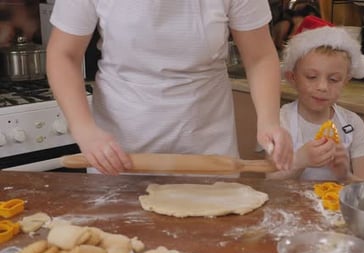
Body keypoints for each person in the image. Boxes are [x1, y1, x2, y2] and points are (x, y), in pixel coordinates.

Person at [46, 0, 293, 176]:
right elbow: (63, 53)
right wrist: (83, 128)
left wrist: (269, 121)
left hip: (206, 146)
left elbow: (259, 56)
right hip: (120, 149)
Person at [267, 20, 364, 182]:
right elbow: (270, 184)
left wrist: (345, 175)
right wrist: (299, 161)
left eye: (334, 79)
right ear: (292, 77)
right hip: (293, 207)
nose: (323, 87)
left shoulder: (352, 125)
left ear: (346, 81)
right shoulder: (279, 122)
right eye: (311, 77)